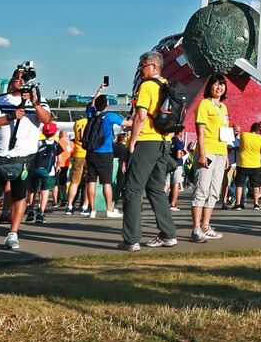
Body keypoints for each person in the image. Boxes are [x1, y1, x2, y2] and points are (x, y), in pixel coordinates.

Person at [0, 65, 54, 250]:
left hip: (24, 156)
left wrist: (34, 103)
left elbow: (46, 120)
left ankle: (13, 233)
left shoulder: (39, 101)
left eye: (24, 78)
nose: (21, 81)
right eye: (18, 77)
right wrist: (11, 116)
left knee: (20, 197)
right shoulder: (1, 100)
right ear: (11, 80)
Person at [118, 51, 178, 251]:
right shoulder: (167, 85)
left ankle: (131, 239)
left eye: (142, 66)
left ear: (152, 67)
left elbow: (141, 117)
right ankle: (168, 233)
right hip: (164, 141)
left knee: (133, 190)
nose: (140, 70)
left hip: (146, 141)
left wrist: (132, 142)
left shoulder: (148, 86)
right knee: (155, 189)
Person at [190, 73, 230, 242]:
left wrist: (226, 154)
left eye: (222, 84)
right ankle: (196, 228)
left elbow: (226, 133)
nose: (219, 87)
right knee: (202, 190)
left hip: (221, 152)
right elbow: (200, 131)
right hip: (207, 152)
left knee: (214, 192)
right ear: (209, 87)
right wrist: (202, 153)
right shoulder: (204, 104)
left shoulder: (223, 107)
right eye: (215, 84)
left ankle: (206, 226)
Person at [78, 92, 126, 219]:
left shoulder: (91, 114)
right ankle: (109, 209)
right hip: (105, 152)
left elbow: (92, 104)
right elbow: (127, 124)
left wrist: (98, 91)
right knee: (107, 182)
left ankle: (92, 209)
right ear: (107, 105)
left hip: (91, 152)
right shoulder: (110, 116)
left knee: (91, 181)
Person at [26, 121, 64, 224]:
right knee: (45, 191)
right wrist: (58, 166)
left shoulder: (38, 143)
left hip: (35, 170)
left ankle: (30, 210)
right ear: (55, 132)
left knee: (32, 190)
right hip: (49, 172)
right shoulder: (57, 145)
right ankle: (41, 213)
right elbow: (59, 159)